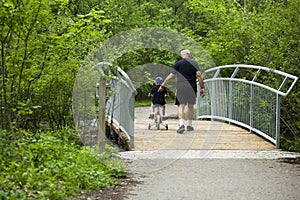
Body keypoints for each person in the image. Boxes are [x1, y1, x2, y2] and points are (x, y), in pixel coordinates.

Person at [158, 49, 205, 133]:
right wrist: (202, 88)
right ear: (189, 54)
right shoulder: (194, 63)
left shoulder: (178, 63)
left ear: (182, 55)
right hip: (192, 86)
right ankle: (190, 125)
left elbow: (171, 76)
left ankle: (181, 124)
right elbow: (199, 76)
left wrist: (162, 86)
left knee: (181, 105)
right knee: (190, 105)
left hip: (181, 86)